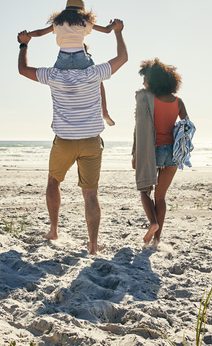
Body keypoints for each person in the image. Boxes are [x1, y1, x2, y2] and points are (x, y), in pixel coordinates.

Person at [17, 19, 127, 256]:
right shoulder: (95, 73)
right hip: (91, 142)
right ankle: (93, 245)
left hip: (64, 141)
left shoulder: (53, 75)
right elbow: (123, 57)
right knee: (90, 194)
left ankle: (54, 230)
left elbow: (23, 70)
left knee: (53, 182)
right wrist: (117, 32)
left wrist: (24, 45)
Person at [20, 0, 117, 126]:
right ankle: (104, 111)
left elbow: (40, 33)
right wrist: (112, 25)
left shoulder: (59, 23)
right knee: (97, 79)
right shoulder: (84, 22)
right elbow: (106, 30)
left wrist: (27, 35)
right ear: (82, 11)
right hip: (80, 57)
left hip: (63, 58)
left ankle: (56, 119)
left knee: (54, 82)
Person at [132, 58, 188, 245]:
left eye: (146, 78)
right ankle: (157, 239)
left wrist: (135, 153)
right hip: (172, 151)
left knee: (144, 191)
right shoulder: (178, 102)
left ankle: (153, 223)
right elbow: (187, 127)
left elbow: (139, 128)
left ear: (153, 80)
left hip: (151, 151)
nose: (143, 82)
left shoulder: (146, 98)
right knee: (161, 197)